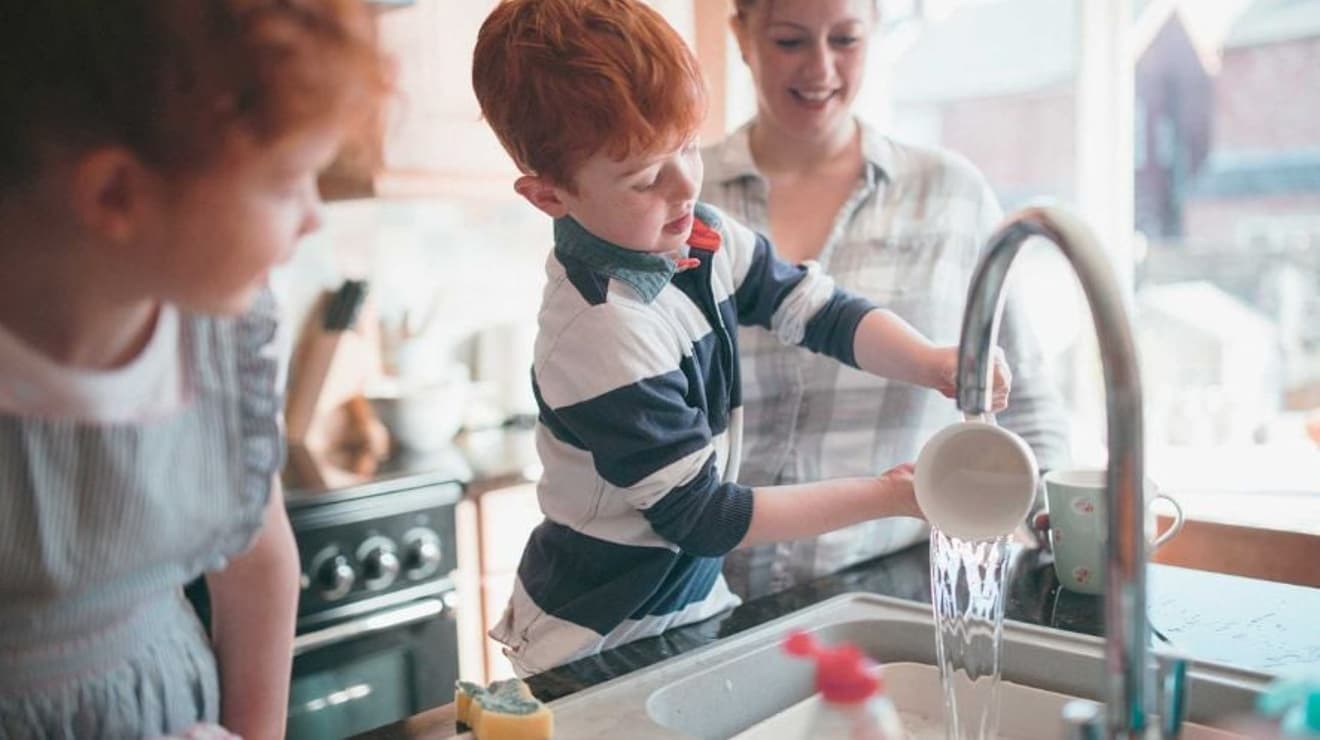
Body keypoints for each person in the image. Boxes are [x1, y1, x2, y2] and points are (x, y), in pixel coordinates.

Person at [470, 0, 1011, 675]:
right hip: (598, 641)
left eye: (688, 147)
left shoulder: (699, 235)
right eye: (643, 177)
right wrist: (894, 495)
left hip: (689, 611)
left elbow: (818, 311)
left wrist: (930, 360)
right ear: (550, 196)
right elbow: (706, 517)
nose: (684, 185)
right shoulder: (600, 331)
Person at [0, 2, 387, 738]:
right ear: (117, 195)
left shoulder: (223, 339)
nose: (313, 218)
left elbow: (259, 563)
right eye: (287, 183)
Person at [702, 0, 1071, 599]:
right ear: (742, 36)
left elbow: (1025, 404)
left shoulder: (950, 195)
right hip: (704, 597)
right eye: (790, 42)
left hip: (897, 587)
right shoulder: (679, 196)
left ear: (875, 32)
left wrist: (1058, 520)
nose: (820, 68)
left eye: (845, 39)